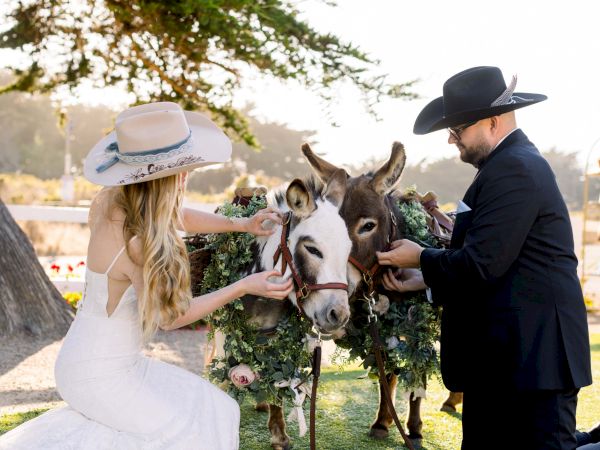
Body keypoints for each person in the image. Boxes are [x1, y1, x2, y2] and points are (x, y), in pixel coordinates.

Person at [0, 102, 293, 449]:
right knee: (186, 433)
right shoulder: (138, 244)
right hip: (98, 376)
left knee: (215, 406)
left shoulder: (110, 201)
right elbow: (173, 318)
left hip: (108, 363)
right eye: (184, 170)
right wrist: (244, 285)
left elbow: (173, 213)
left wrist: (240, 224)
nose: (187, 176)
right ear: (171, 177)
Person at [377, 66, 592, 450]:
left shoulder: (515, 169)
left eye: (458, 130)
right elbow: (499, 262)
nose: (450, 140)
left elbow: (481, 264)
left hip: (532, 361)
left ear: (493, 122)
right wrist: (425, 280)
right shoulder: (504, 167)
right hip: (507, 361)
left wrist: (420, 257)